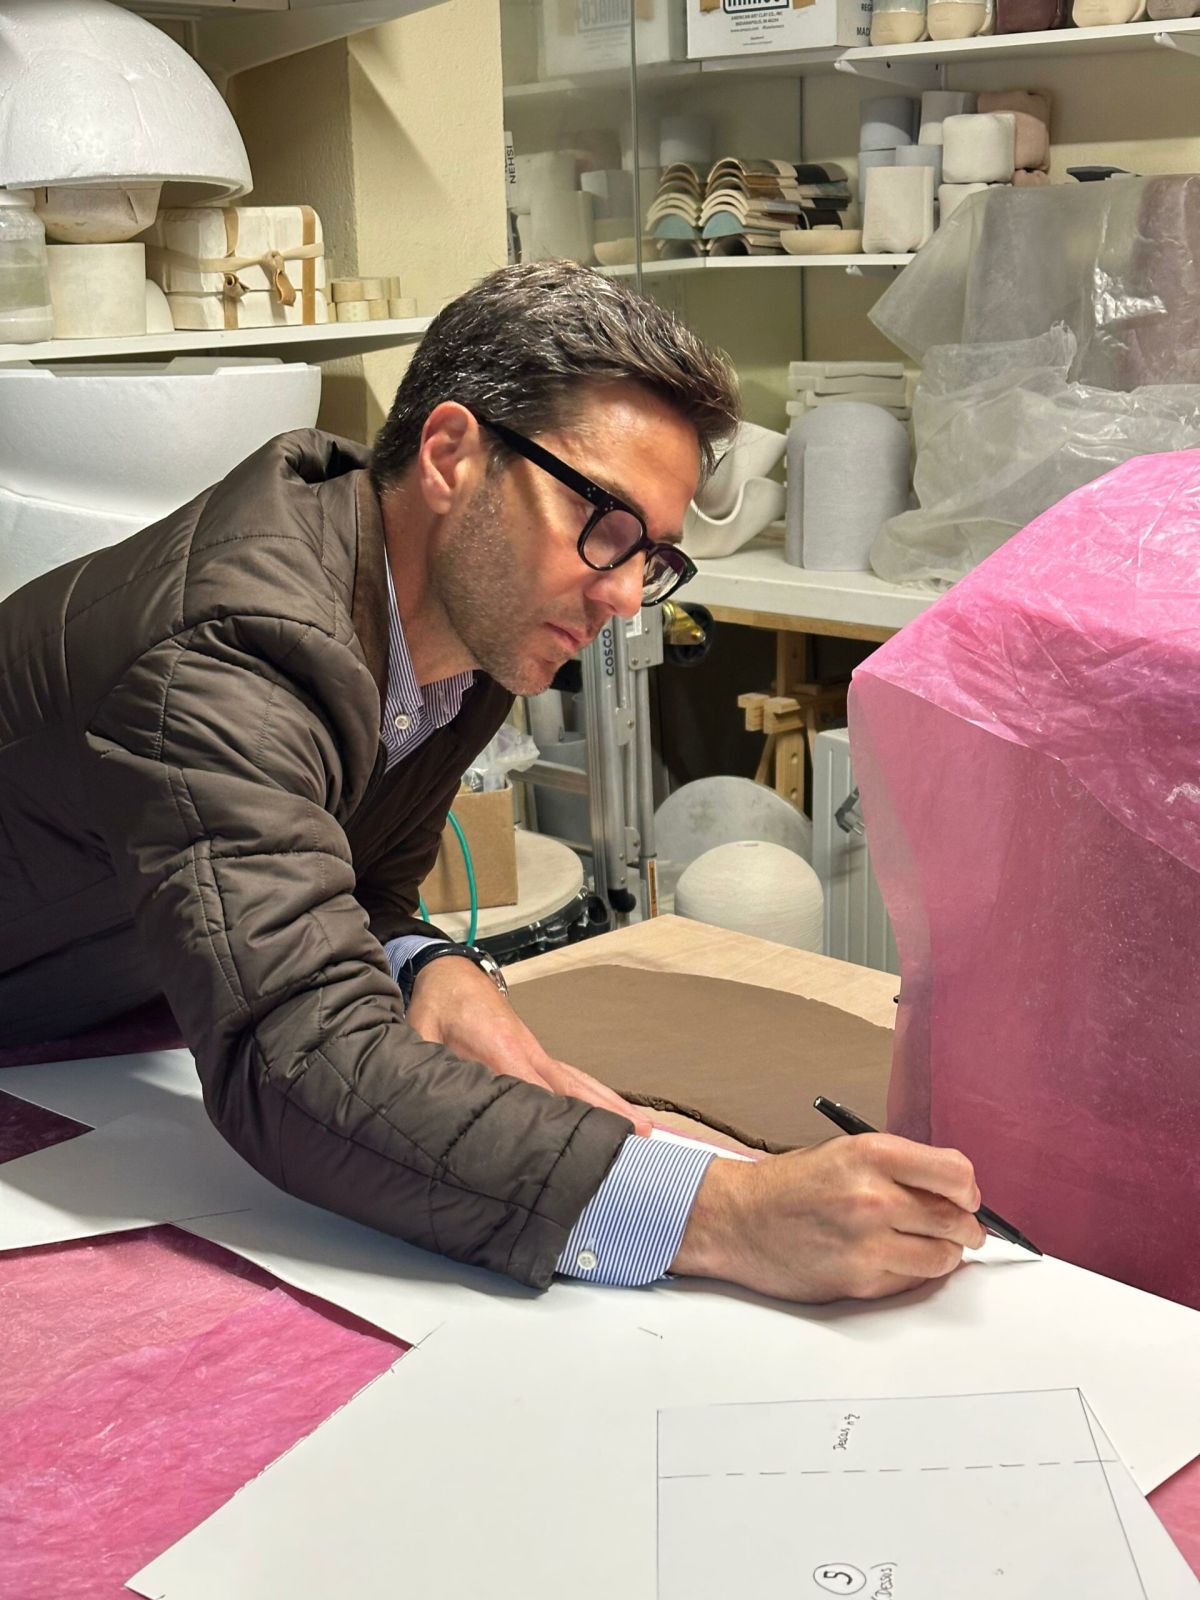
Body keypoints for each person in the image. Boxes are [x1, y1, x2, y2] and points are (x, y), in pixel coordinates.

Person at [0, 261, 984, 1301]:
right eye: (603, 523)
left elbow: (354, 875)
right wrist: (731, 1213)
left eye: (652, 556)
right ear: (451, 455)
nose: (624, 597)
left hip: (111, 1024)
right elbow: (297, 1062)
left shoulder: (458, 620)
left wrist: (430, 965)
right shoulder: (228, 656)